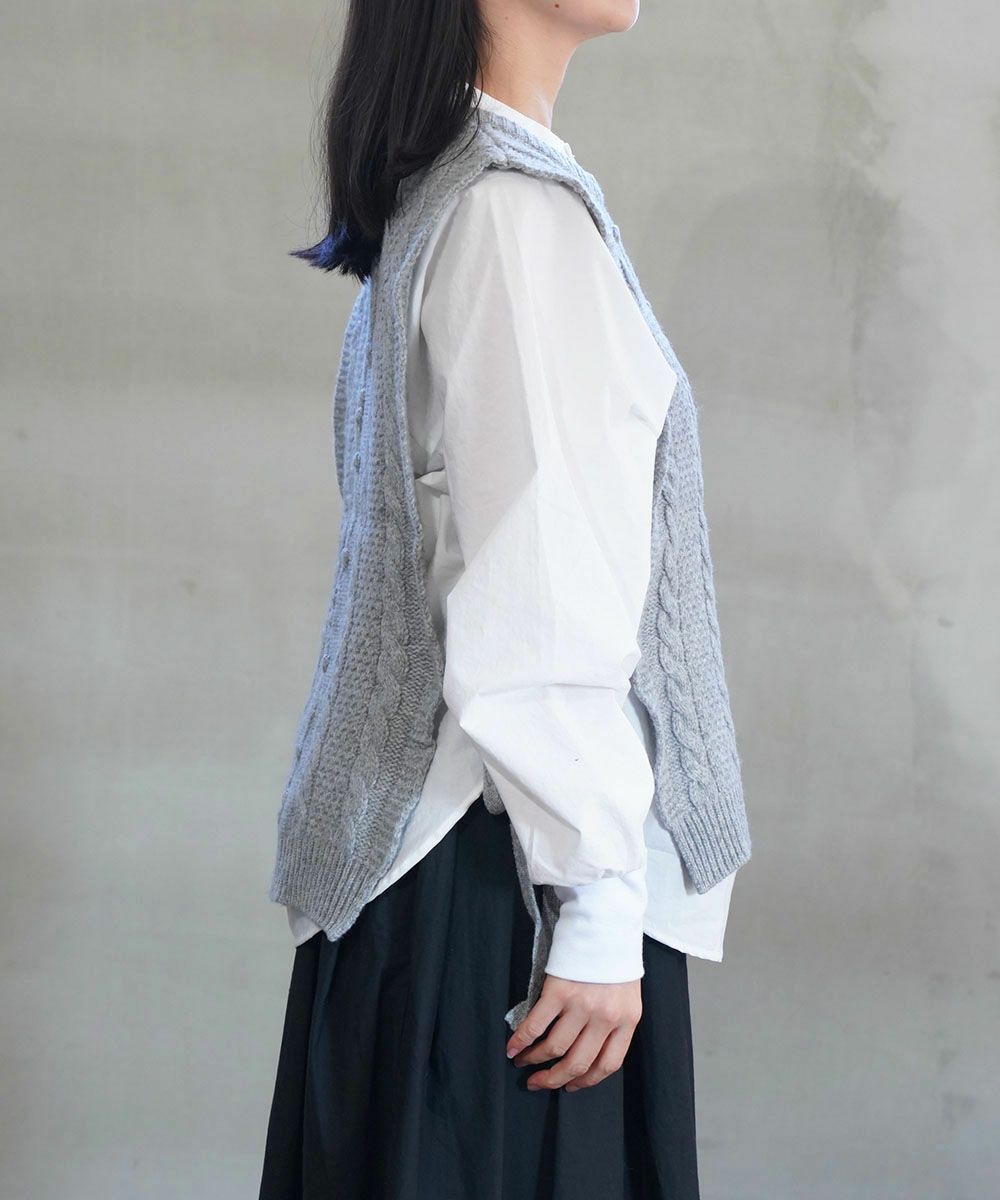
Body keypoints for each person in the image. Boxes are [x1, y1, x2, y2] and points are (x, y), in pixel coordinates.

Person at [258, 2, 752, 1196]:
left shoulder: (458, 197)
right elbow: (538, 580)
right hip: (508, 896)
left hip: (454, 884)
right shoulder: (511, 215)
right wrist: (598, 905)